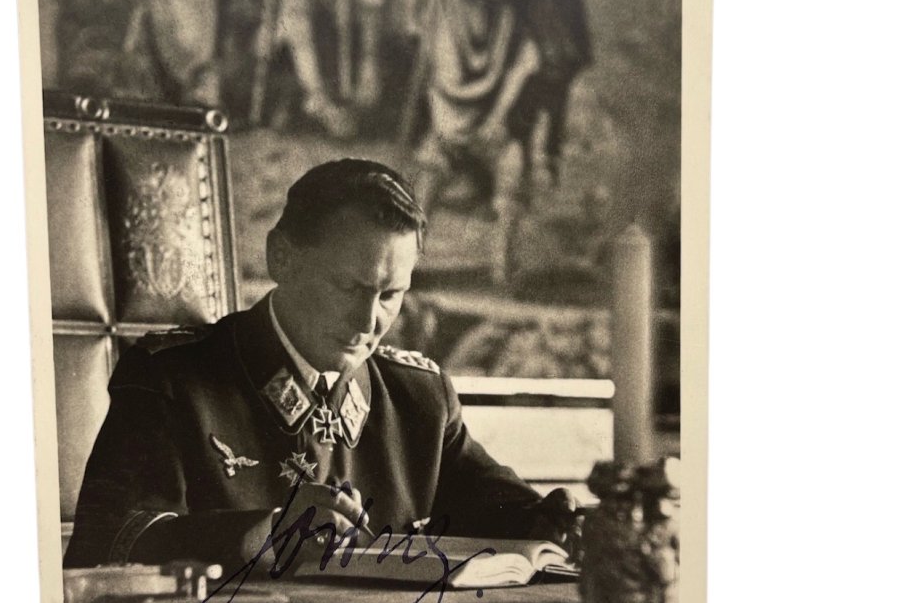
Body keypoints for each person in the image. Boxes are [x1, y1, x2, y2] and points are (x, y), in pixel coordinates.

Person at [64, 158, 576, 571]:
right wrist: (263, 535)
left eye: (390, 295)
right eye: (348, 287)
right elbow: (104, 544)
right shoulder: (171, 377)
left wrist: (570, 526)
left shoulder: (420, 398)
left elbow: (513, 514)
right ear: (281, 259)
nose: (368, 321)